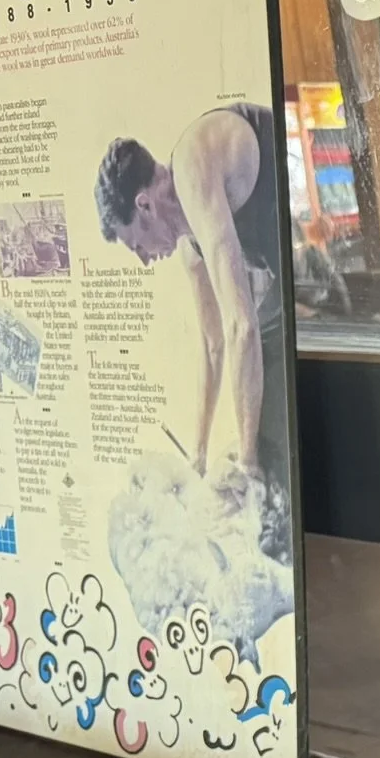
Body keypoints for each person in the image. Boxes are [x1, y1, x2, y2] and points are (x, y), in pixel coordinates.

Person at [94, 105, 289, 514]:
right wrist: (197, 457)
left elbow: (241, 327)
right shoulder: (190, 246)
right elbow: (213, 346)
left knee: (265, 390)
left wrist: (248, 466)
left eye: (137, 245)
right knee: (257, 392)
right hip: (285, 271)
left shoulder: (192, 164)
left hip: (309, 240)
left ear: (145, 205)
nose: (145, 260)